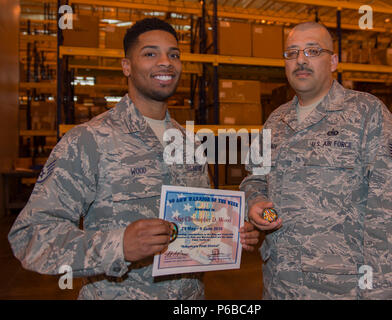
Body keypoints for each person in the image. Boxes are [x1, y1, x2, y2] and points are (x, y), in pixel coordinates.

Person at [8, 18, 259, 300]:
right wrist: (119, 245)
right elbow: (30, 236)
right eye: (150, 53)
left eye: (173, 55)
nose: (165, 62)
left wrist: (230, 233)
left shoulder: (189, 144)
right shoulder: (88, 141)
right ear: (126, 66)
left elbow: (199, 220)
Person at [240, 21, 392, 300]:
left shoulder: (367, 114)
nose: (301, 60)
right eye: (292, 53)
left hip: (342, 291)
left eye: (312, 51)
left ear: (333, 61)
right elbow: (254, 178)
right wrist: (254, 202)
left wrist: (385, 294)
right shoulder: (275, 121)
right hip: (279, 287)